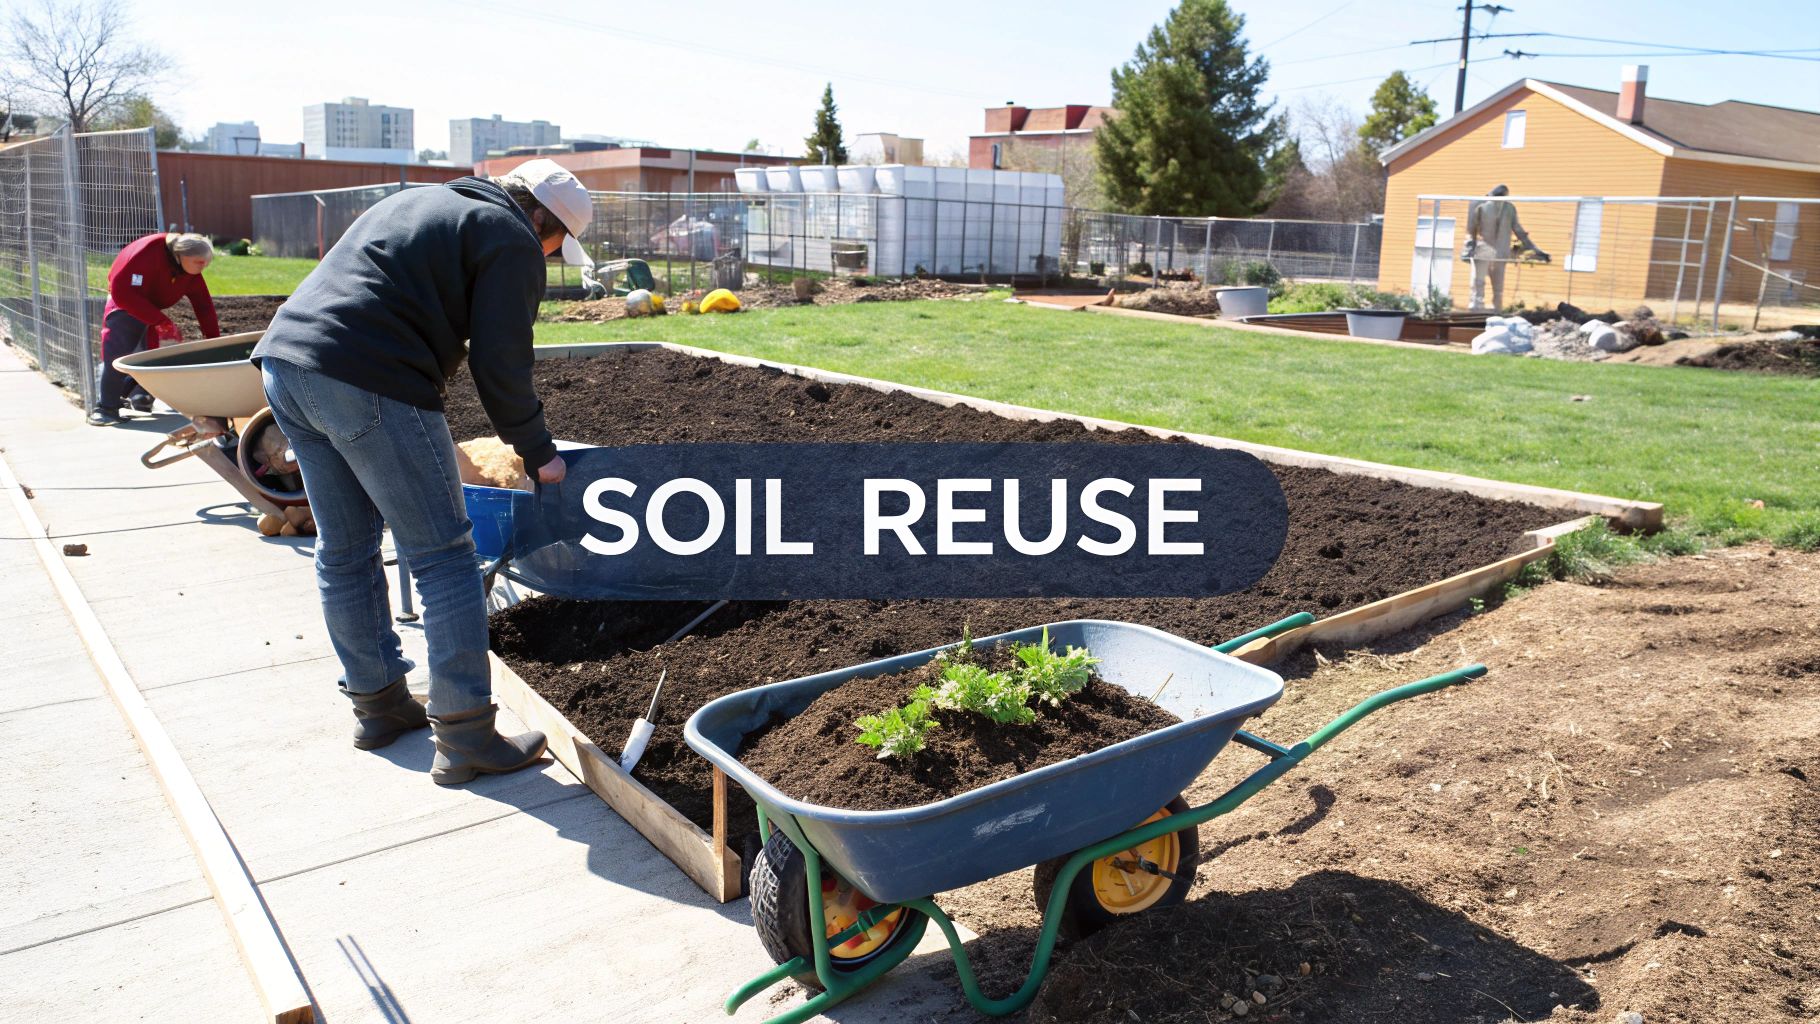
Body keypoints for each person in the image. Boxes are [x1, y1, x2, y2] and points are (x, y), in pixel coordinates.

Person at [252, 159, 592, 785]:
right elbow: (502, 361)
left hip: (286, 364)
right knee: (444, 555)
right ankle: (466, 735)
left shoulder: (423, 202)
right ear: (542, 219)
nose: (548, 255)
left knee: (345, 549)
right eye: (556, 244)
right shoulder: (511, 236)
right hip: (369, 376)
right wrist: (537, 451)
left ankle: (378, 705)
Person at [89, 232, 220, 425]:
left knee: (151, 357)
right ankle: (105, 408)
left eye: (207, 263)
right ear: (181, 256)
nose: (204, 267)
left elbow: (204, 306)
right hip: (124, 305)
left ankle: (130, 395)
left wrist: (214, 340)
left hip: (150, 308)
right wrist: (160, 321)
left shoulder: (189, 273)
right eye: (200, 262)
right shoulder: (146, 255)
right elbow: (122, 292)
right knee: (116, 354)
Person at [1464, 184, 1538, 312]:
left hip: (1498, 251)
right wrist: (1470, 247)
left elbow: (1518, 229)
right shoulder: (1480, 205)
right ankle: (1477, 307)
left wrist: (1532, 247)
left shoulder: (1509, 208)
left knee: (1495, 285)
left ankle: (1494, 308)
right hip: (1484, 249)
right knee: (1479, 282)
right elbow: (1471, 229)